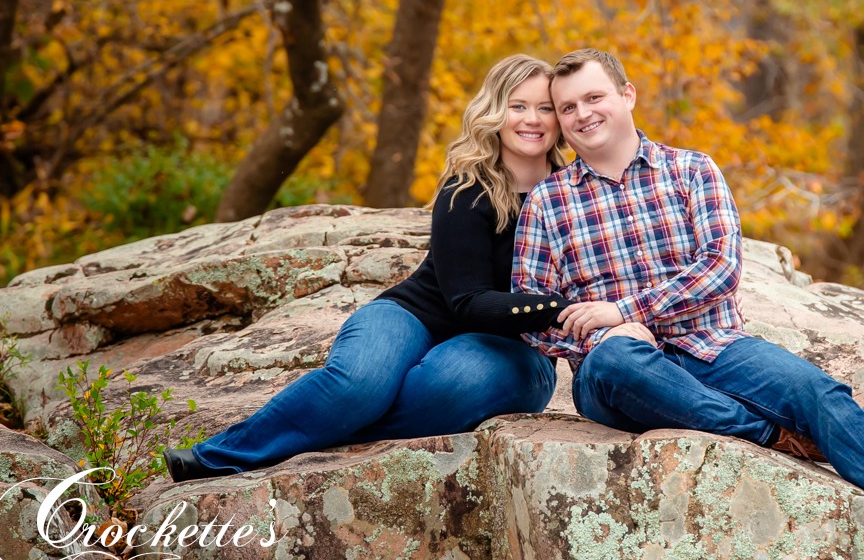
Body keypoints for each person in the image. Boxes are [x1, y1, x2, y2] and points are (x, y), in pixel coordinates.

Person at [513, 48, 864, 560]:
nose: (582, 114)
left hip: (714, 347)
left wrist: (627, 311)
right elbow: (534, 312)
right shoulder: (547, 202)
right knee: (617, 360)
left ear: (627, 96)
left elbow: (721, 270)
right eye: (568, 106)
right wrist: (603, 336)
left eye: (594, 97)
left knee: (816, 391)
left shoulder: (691, 171)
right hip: (619, 372)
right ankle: (767, 435)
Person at [165, 55, 568, 482]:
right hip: (414, 315)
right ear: (494, 112)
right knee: (359, 385)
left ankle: (326, 430)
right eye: (518, 105)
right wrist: (562, 309)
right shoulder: (467, 188)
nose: (533, 120)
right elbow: (467, 302)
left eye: (545, 108)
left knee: (449, 387)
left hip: (516, 350)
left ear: (560, 118)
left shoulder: (575, 193)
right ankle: (219, 455)